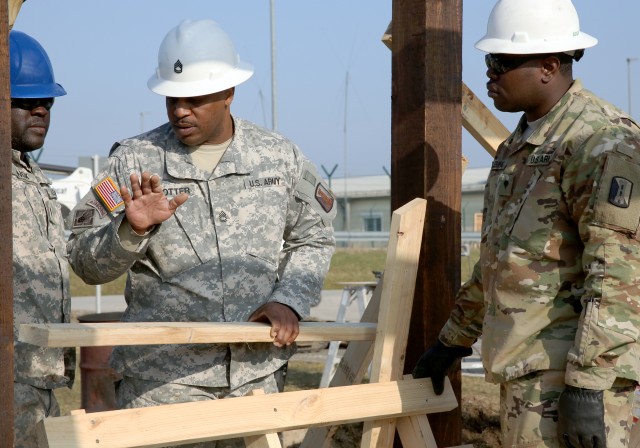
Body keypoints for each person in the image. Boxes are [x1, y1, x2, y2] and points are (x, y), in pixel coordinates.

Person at [67, 19, 336, 447]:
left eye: (194, 99)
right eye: (172, 98)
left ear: (229, 93)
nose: (179, 110)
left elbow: (314, 237)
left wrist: (290, 300)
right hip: (162, 385)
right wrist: (130, 230)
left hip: (256, 378)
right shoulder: (133, 162)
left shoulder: (278, 157)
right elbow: (83, 259)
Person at [411, 0, 640, 446]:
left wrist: (588, 385)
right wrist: (453, 341)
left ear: (550, 66)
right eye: (488, 61)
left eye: (501, 62)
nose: (489, 74)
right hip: (525, 372)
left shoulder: (601, 142)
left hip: (570, 379)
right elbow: (500, 260)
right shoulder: (518, 147)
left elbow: (619, 275)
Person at [10, 30, 75, 447]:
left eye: (47, 103)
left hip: (40, 376)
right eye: (25, 102)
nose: (40, 111)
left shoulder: (33, 179)